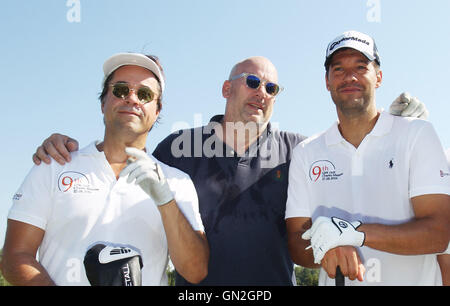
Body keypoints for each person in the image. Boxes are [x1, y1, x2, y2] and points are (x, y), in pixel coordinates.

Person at [30, 56, 427, 286]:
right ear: (227, 89)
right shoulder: (177, 149)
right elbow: (122, 161)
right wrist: (65, 146)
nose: (262, 93)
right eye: (253, 82)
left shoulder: (299, 150)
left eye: (272, 89)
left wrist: (388, 128)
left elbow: (351, 168)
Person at [1, 53, 209, 286]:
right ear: (103, 103)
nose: (132, 99)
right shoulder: (54, 165)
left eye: (145, 94)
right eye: (121, 90)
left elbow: (195, 270)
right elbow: (15, 256)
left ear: (157, 111)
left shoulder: (177, 182)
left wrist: (166, 201)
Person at [285, 30, 450, 286]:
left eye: (361, 67)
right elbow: (296, 243)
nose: (349, 77)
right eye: (338, 69)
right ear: (327, 81)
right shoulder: (307, 152)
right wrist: (326, 248)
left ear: (379, 77)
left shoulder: (417, 133)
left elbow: (439, 233)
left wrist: (352, 234)